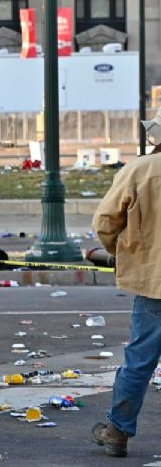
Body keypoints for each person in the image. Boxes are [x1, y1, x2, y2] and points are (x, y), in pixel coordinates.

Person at [91, 111, 161, 458]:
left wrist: (121, 250)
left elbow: (104, 223)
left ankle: (118, 431)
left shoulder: (138, 170)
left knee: (139, 361)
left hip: (153, 284)